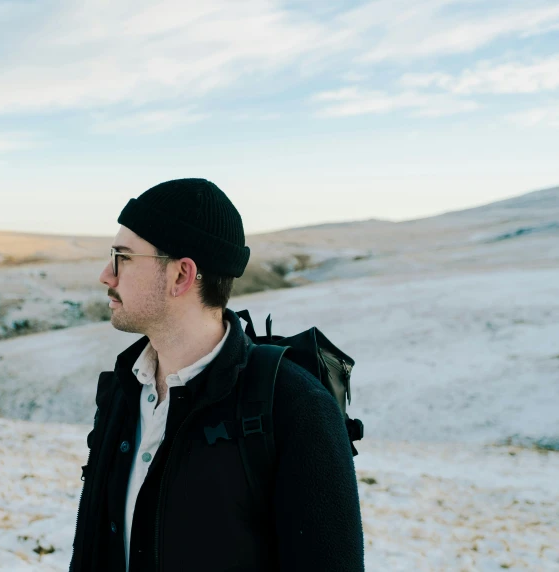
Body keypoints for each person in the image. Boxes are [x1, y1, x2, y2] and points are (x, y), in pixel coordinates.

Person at [69, 178, 364, 572]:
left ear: (181, 276)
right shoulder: (123, 390)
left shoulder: (295, 408)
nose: (106, 274)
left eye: (122, 257)